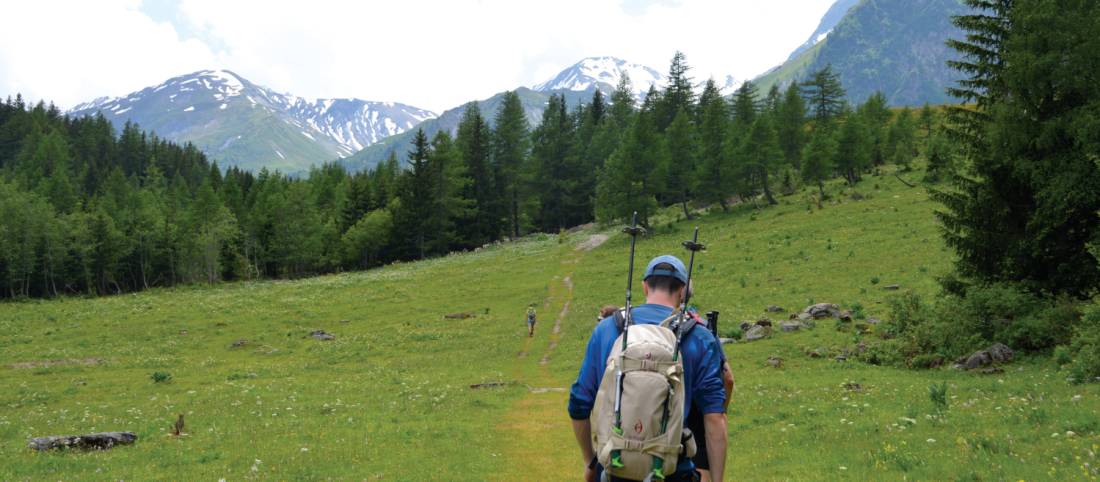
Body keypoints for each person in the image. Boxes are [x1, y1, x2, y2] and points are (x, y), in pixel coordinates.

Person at [569, 255, 728, 482]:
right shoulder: (699, 337)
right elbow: (715, 418)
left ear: (645, 286)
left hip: (613, 471)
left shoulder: (607, 330)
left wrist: (590, 461)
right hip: (672, 471)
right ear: (682, 291)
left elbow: (579, 404)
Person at [684, 310, 735, 482]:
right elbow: (728, 378)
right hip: (697, 418)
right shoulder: (700, 328)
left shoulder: (642, 326)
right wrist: (721, 410)